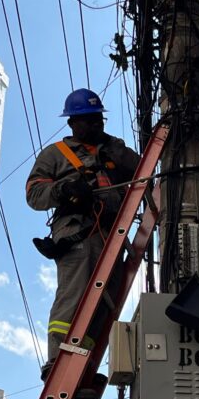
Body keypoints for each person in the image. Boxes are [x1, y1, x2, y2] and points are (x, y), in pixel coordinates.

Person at [26, 89, 141, 381]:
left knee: (105, 302)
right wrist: (63, 189)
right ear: (72, 124)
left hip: (113, 234)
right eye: (88, 120)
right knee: (75, 296)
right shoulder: (56, 154)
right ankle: (59, 361)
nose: (95, 125)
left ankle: (84, 369)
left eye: (98, 119)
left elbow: (141, 171)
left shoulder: (113, 149)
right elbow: (34, 194)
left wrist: (115, 149)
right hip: (79, 232)